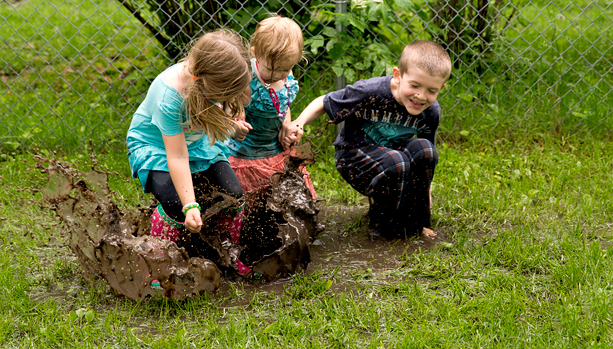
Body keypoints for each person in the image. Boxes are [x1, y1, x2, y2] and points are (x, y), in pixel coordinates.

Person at [283, 40, 451, 239]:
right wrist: (299, 122)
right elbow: (324, 101)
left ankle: (418, 222)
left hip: (394, 158)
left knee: (426, 150)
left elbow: (425, 164)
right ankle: (382, 226)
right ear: (398, 76)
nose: (421, 96)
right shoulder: (371, 92)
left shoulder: (431, 112)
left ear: (441, 87)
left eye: (431, 91)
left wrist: (424, 195)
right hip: (354, 156)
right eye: (414, 85)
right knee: (397, 163)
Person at [126, 29, 254, 274]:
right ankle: (159, 265)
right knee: (175, 203)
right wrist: (190, 205)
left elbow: (232, 106)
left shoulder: (213, 79)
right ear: (208, 85)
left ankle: (226, 253)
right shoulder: (170, 97)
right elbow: (177, 156)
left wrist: (234, 124)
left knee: (233, 194)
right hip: (157, 149)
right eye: (226, 94)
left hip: (197, 143)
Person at [219, 15, 316, 200]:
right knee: (250, 208)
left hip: (276, 153)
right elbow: (227, 113)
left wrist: (287, 126)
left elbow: (283, 104)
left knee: (288, 202)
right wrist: (235, 126)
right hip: (245, 157)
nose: (278, 75)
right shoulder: (245, 79)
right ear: (255, 52)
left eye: (285, 69)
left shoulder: (285, 76)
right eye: (272, 69)